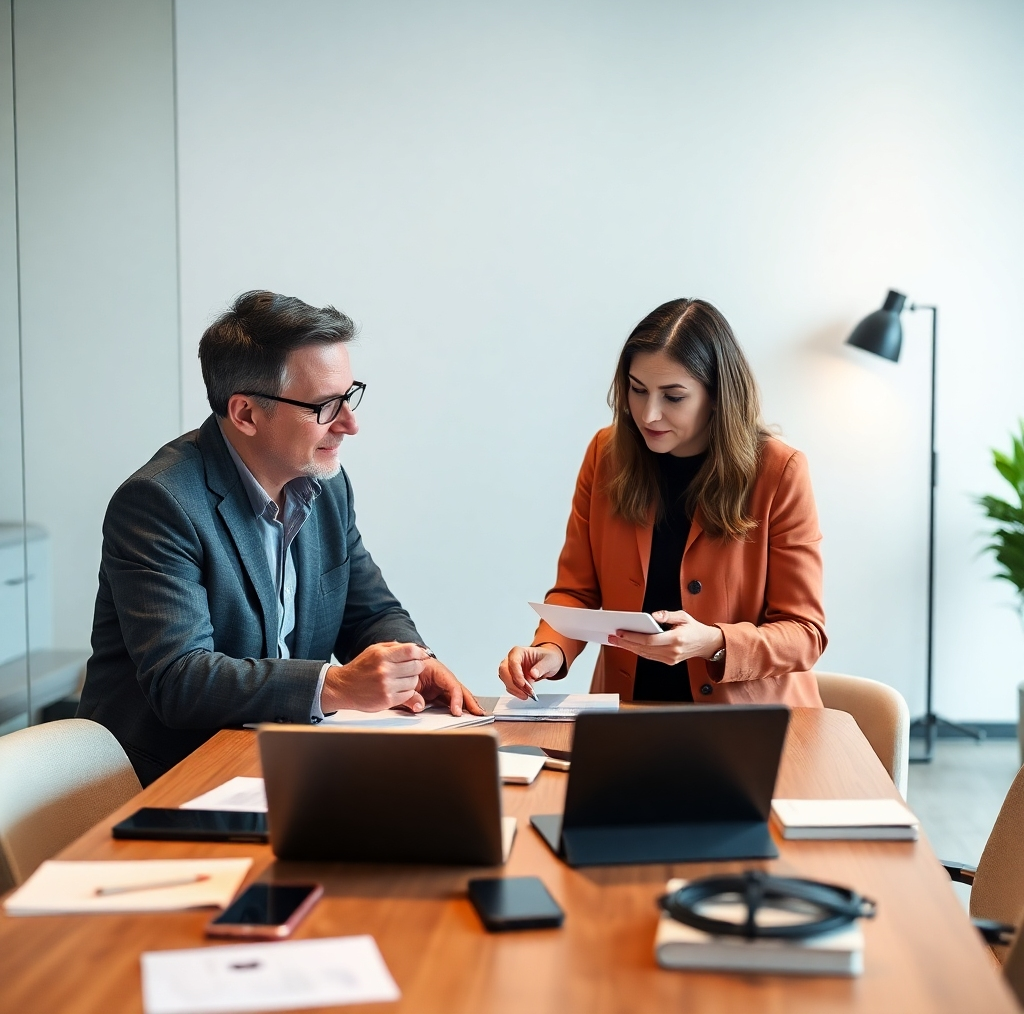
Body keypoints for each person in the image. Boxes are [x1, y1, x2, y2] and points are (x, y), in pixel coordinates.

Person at [79, 290, 481, 785]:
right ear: (246, 413)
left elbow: (371, 612)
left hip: (281, 763)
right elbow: (180, 680)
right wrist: (335, 685)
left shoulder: (325, 488)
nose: (351, 425)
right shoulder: (158, 502)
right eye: (326, 406)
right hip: (171, 779)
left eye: (349, 396)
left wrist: (413, 663)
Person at [498, 298, 825, 706]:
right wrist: (551, 650)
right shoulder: (605, 454)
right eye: (637, 390)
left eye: (673, 397)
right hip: (627, 713)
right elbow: (577, 591)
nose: (648, 414)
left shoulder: (779, 471)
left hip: (749, 726)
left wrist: (712, 642)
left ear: (717, 396)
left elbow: (804, 633)